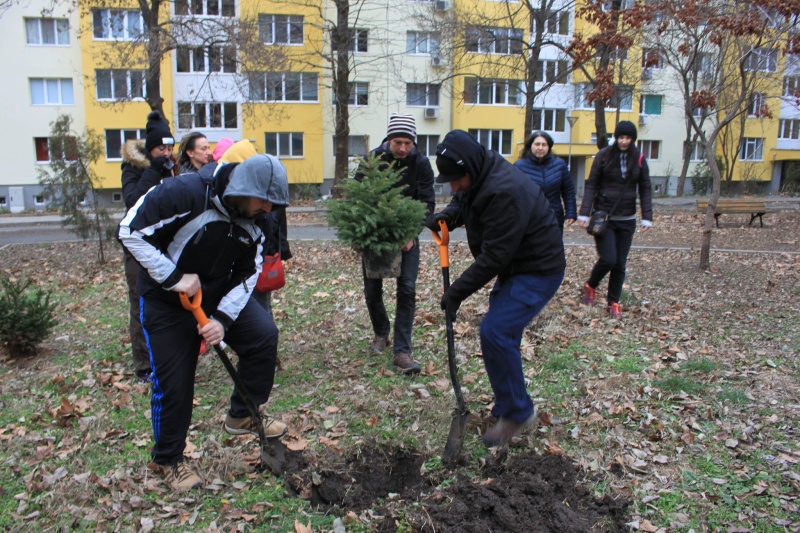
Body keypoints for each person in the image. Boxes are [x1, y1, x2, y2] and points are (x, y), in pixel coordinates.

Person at [118, 153, 290, 491]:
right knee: (175, 383)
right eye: (265, 201)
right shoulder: (183, 193)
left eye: (274, 205)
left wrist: (223, 321)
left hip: (215, 290)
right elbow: (129, 230)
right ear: (242, 188)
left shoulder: (259, 220)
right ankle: (168, 459)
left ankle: (243, 413)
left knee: (263, 336)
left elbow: (249, 272)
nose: (269, 211)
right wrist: (173, 277)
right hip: (166, 300)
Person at [425, 129, 566, 448]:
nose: (453, 186)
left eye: (456, 179)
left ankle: (518, 411)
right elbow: (464, 201)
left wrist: (455, 292)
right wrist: (445, 217)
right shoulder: (480, 171)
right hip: (517, 266)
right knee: (500, 334)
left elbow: (494, 258)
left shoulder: (505, 190)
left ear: (469, 170)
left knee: (495, 331)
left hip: (538, 269)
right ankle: (507, 404)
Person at [354, 113, 435, 374]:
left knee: (407, 290)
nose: (402, 148)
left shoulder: (421, 163)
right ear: (389, 139)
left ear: (413, 142)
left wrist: (411, 233)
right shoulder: (372, 160)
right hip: (375, 235)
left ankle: (402, 350)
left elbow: (427, 204)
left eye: (407, 143)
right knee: (372, 290)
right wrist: (360, 232)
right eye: (397, 142)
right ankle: (381, 332)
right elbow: (357, 196)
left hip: (407, 236)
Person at [120, 111, 176, 382]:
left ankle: (170, 355)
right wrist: (154, 170)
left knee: (168, 301)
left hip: (165, 244)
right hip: (137, 245)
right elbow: (131, 200)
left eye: (169, 148)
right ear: (149, 148)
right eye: (160, 148)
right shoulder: (134, 168)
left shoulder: (172, 166)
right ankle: (144, 365)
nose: (166, 153)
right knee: (140, 301)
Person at [577, 120, 653, 319]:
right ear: (616, 137)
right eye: (621, 137)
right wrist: (584, 212)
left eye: (628, 138)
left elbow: (645, 188)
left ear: (633, 139)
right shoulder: (604, 156)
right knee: (608, 258)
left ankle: (613, 302)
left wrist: (647, 217)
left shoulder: (639, 158)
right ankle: (591, 285)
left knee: (619, 263)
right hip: (605, 217)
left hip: (627, 219)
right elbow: (592, 184)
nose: (624, 141)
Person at [513, 131, 576, 231]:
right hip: (529, 217)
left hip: (554, 215)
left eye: (544, 145)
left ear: (549, 147)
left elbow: (568, 190)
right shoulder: (519, 166)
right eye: (537, 144)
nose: (540, 148)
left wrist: (571, 212)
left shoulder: (559, 165)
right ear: (530, 146)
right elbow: (513, 193)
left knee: (554, 245)